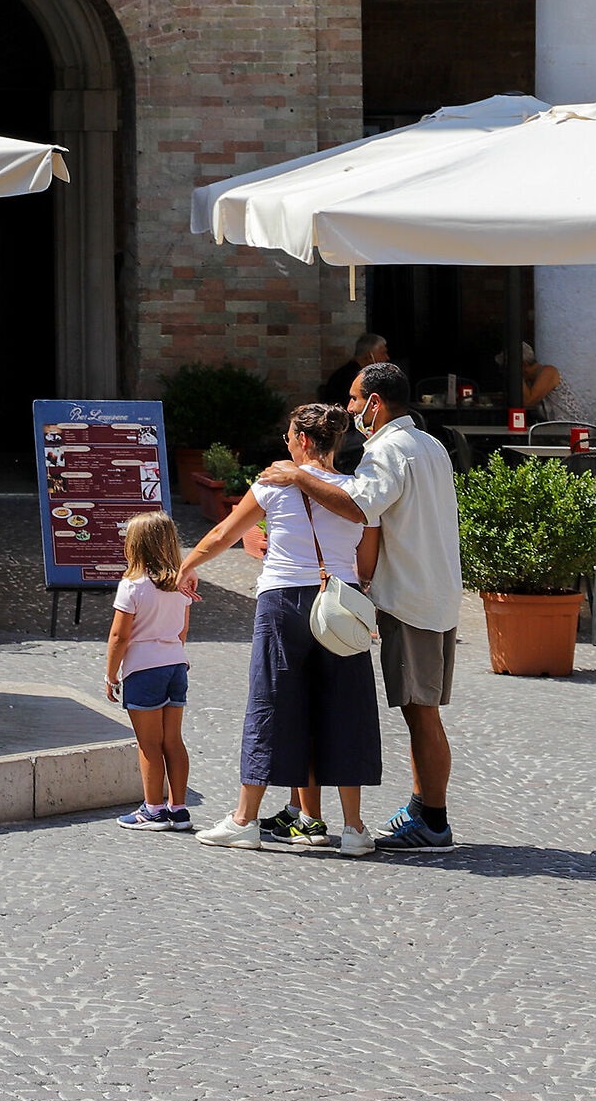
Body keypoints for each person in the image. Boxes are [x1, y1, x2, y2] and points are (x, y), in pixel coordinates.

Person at [250, 361, 462, 852]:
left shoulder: (386, 451)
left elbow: (359, 509)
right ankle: (421, 805)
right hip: (437, 591)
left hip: (411, 599)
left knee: (420, 712)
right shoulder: (429, 444)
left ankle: (433, 819)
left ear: (374, 403)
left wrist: (297, 478)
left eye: (352, 399)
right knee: (420, 709)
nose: (348, 409)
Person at [181, 404, 383, 858]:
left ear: (305, 441)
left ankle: (244, 820)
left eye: (290, 435)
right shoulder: (358, 491)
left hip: (284, 600)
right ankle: (353, 829)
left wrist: (187, 565)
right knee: (345, 708)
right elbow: (366, 563)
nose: (286, 441)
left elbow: (223, 534)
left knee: (271, 704)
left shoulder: (273, 484)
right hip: (341, 605)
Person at [103, 511, 194, 832]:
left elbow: (119, 636)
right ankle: (178, 809)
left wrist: (111, 674)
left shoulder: (132, 586)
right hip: (175, 665)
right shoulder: (181, 587)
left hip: (144, 669)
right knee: (173, 741)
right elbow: (182, 632)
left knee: (149, 744)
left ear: (134, 545)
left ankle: (153, 809)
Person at [321, 333, 387, 408]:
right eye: (383, 353)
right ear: (369, 356)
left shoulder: (345, 372)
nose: (387, 357)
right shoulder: (355, 377)